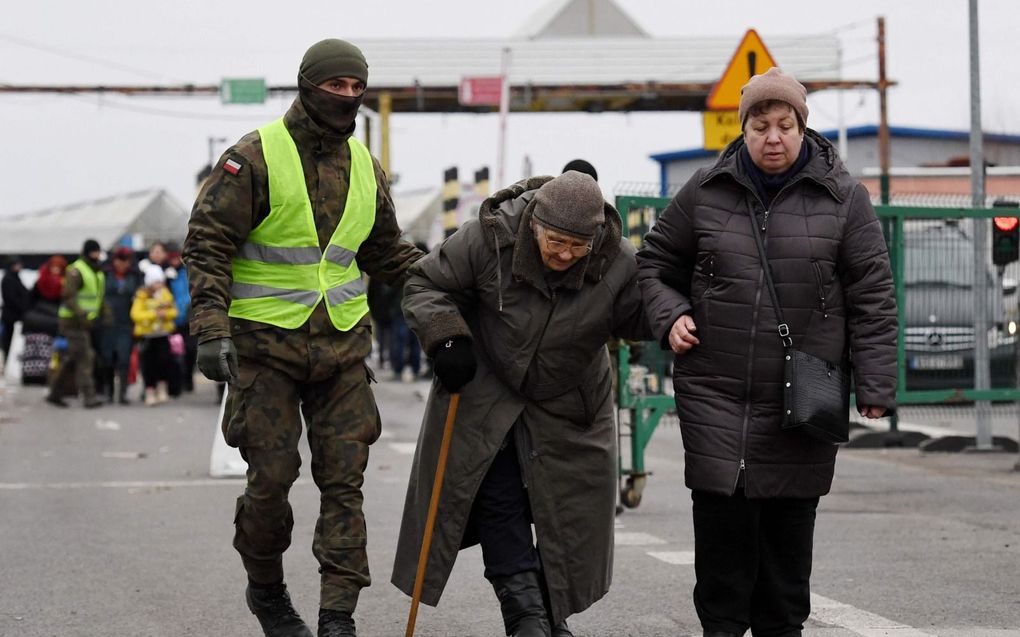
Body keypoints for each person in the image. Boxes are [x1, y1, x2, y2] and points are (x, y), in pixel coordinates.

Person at [635, 67, 897, 637]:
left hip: (802, 402)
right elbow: (652, 263)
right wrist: (671, 314)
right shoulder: (705, 190)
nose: (772, 137)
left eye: (784, 125)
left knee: (783, 571)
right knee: (723, 569)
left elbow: (873, 296)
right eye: (760, 125)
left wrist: (876, 385)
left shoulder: (845, 199)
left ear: (803, 129)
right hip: (715, 393)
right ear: (743, 127)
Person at [183, 38, 423, 637]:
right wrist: (211, 329)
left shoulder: (366, 168)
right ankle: (266, 589)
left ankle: (337, 615)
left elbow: (387, 251)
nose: (345, 96)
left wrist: (455, 284)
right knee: (272, 482)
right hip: (264, 351)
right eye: (334, 85)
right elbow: (207, 243)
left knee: (346, 485)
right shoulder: (253, 158)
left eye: (354, 87)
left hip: (342, 351)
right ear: (306, 84)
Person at [392, 171, 651, 637]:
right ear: (535, 224)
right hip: (487, 388)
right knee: (499, 497)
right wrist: (447, 337)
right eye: (556, 242)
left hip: (570, 399)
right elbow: (424, 284)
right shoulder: (489, 237)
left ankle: (553, 616)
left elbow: (639, 315)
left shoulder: (618, 261)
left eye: (578, 246)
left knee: (567, 514)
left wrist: (673, 313)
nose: (565, 255)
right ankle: (526, 619)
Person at [46, 239, 105, 408]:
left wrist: (104, 313)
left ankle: (55, 393)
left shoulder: (96, 271)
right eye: (95, 251)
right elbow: (69, 296)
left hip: (84, 322)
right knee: (86, 357)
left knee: (74, 358)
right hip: (73, 321)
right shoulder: (77, 270)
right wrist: (82, 316)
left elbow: (96, 297)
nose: (97, 255)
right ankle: (89, 397)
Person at [98, 247, 142, 404]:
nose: (122, 264)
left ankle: (122, 393)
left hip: (126, 323)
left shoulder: (135, 277)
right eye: (119, 260)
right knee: (107, 359)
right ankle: (108, 391)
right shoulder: (105, 274)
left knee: (124, 359)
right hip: (107, 323)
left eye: (125, 261)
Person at [131, 265, 177, 406]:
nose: (159, 284)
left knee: (163, 362)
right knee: (148, 365)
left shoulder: (165, 294)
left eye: (160, 281)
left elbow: (174, 312)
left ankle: (162, 390)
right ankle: (149, 392)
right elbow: (135, 314)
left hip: (162, 334)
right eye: (156, 281)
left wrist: (165, 314)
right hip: (147, 336)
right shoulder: (141, 296)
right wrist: (154, 314)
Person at [20, 255, 66, 385]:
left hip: (52, 324)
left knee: (49, 352)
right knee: (33, 351)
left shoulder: (64, 284)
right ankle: (30, 377)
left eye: (58, 268)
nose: (55, 270)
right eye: (54, 267)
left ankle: (46, 377)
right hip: (37, 324)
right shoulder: (41, 282)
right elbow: (30, 301)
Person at [165, 242, 196, 393]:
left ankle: (188, 379)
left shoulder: (187, 272)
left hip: (188, 318)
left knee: (190, 351)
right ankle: (176, 384)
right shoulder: (165, 274)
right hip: (172, 319)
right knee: (174, 353)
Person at [1, 256, 31, 366]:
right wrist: (23, 307)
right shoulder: (9, 279)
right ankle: (8, 361)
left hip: (16, 315)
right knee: (8, 340)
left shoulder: (15, 278)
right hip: (11, 316)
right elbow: (11, 298)